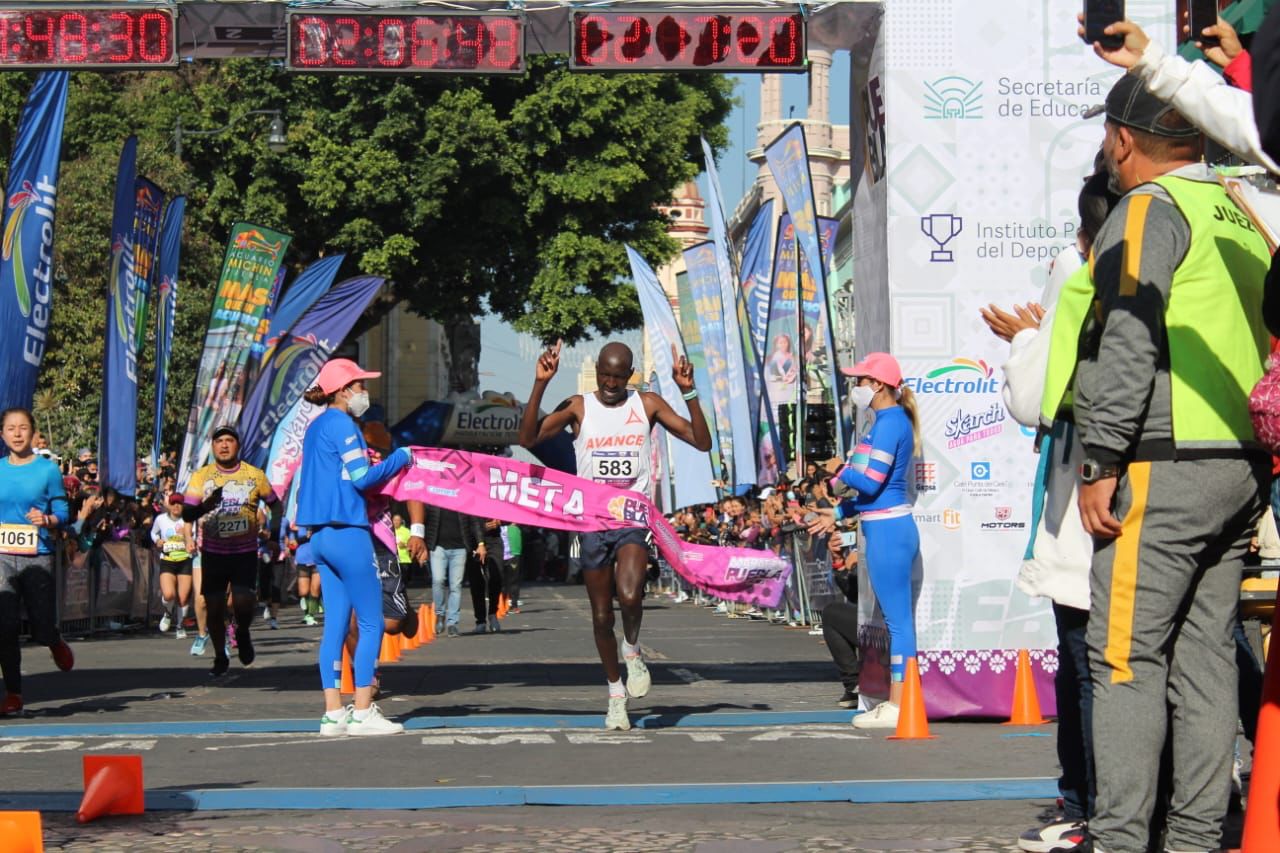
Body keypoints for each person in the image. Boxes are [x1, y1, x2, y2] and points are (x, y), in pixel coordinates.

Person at [1067, 75, 1270, 853]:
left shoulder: (1147, 209)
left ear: (1123, 138)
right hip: (1237, 459)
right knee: (1206, 654)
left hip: (1161, 455)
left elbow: (1128, 332)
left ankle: (1120, 839)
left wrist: (1101, 459)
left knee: (1123, 652)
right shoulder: (1235, 207)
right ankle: (1192, 838)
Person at [982, 170, 1119, 852]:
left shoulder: (1080, 278)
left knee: (1086, 661)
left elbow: (1037, 397)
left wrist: (1026, 341)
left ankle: (1095, 805)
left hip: (1092, 492)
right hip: (1182, 482)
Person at [519, 340, 712, 731]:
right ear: (597, 374)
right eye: (604, 375)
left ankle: (633, 650)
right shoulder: (578, 406)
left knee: (629, 595)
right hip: (592, 519)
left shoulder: (648, 404)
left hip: (632, 517)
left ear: (630, 376)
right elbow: (528, 440)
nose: (609, 383)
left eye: (617, 376)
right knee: (601, 616)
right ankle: (615, 694)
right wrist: (540, 384)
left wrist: (689, 391)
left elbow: (701, 441)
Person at [296, 358, 412, 737]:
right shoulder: (344, 424)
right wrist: (400, 458)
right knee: (371, 621)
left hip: (320, 536)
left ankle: (333, 713)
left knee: (333, 626)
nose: (365, 391)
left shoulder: (315, 427)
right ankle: (363, 710)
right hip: (348, 531)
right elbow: (362, 478)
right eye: (361, 385)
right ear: (344, 390)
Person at [811, 352, 921, 731]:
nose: (855, 387)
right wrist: (838, 514)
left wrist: (838, 470)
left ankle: (900, 704)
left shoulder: (890, 424)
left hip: (890, 531)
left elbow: (872, 482)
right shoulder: (884, 422)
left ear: (877, 384)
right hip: (882, 526)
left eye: (860, 380)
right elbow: (876, 491)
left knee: (898, 621)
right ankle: (898, 701)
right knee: (896, 620)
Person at [182, 425, 282, 677]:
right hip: (213, 553)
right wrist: (206, 505)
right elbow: (187, 513)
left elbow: (276, 506)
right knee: (214, 607)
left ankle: (243, 632)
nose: (224, 445)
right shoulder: (200, 477)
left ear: (238, 445)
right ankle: (219, 655)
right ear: (213, 446)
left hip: (244, 552)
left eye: (229, 440)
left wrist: (274, 537)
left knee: (243, 602)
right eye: (219, 441)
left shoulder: (254, 475)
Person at [0, 408, 74, 715]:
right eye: (10, 428)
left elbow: (64, 514)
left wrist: (46, 519)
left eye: (23, 428)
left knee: (41, 625)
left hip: (38, 555)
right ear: (2, 434)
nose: (17, 433)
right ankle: (14, 694)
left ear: (32, 433)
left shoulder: (47, 470)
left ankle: (53, 640)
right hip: (2, 555)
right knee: (4, 627)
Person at [423, 505, 485, 638]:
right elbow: (423, 519)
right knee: (438, 580)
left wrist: (480, 543)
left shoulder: (463, 495)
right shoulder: (434, 495)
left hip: (460, 548)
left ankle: (453, 624)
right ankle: (440, 614)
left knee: (455, 586)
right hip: (437, 546)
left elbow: (474, 520)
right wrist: (422, 544)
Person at [151, 492, 195, 640]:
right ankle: (168, 613)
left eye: (179, 503)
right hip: (168, 560)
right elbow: (153, 533)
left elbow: (195, 537)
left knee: (183, 598)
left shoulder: (188, 520)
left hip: (185, 560)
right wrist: (157, 541)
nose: (176, 506)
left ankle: (180, 626)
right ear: (169, 505)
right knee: (169, 594)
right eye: (173, 503)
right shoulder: (161, 519)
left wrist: (188, 537)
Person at [471, 518, 504, 633]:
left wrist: (501, 521)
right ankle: (480, 621)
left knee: (496, 577)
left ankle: (492, 613)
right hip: (473, 540)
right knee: (477, 581)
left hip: (494, 540)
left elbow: (511, 510)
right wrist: (482, 527)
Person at [502, 522, 523, 613]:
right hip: (514, 556)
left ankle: (503, 606)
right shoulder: (517, 530)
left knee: (503, 581)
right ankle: (514, 606)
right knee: (513, 581)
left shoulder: (500, 528)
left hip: (502, 555)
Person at [393, 514, 413, 587]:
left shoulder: (407, 531)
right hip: (393, 559)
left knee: (404, 582)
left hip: (404, 560)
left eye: (398, 520)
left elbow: (412, 546)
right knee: (395, 582)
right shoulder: (389, 531)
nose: (396, 522)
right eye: (394, 520)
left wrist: (404, 545)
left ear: (401, 521)